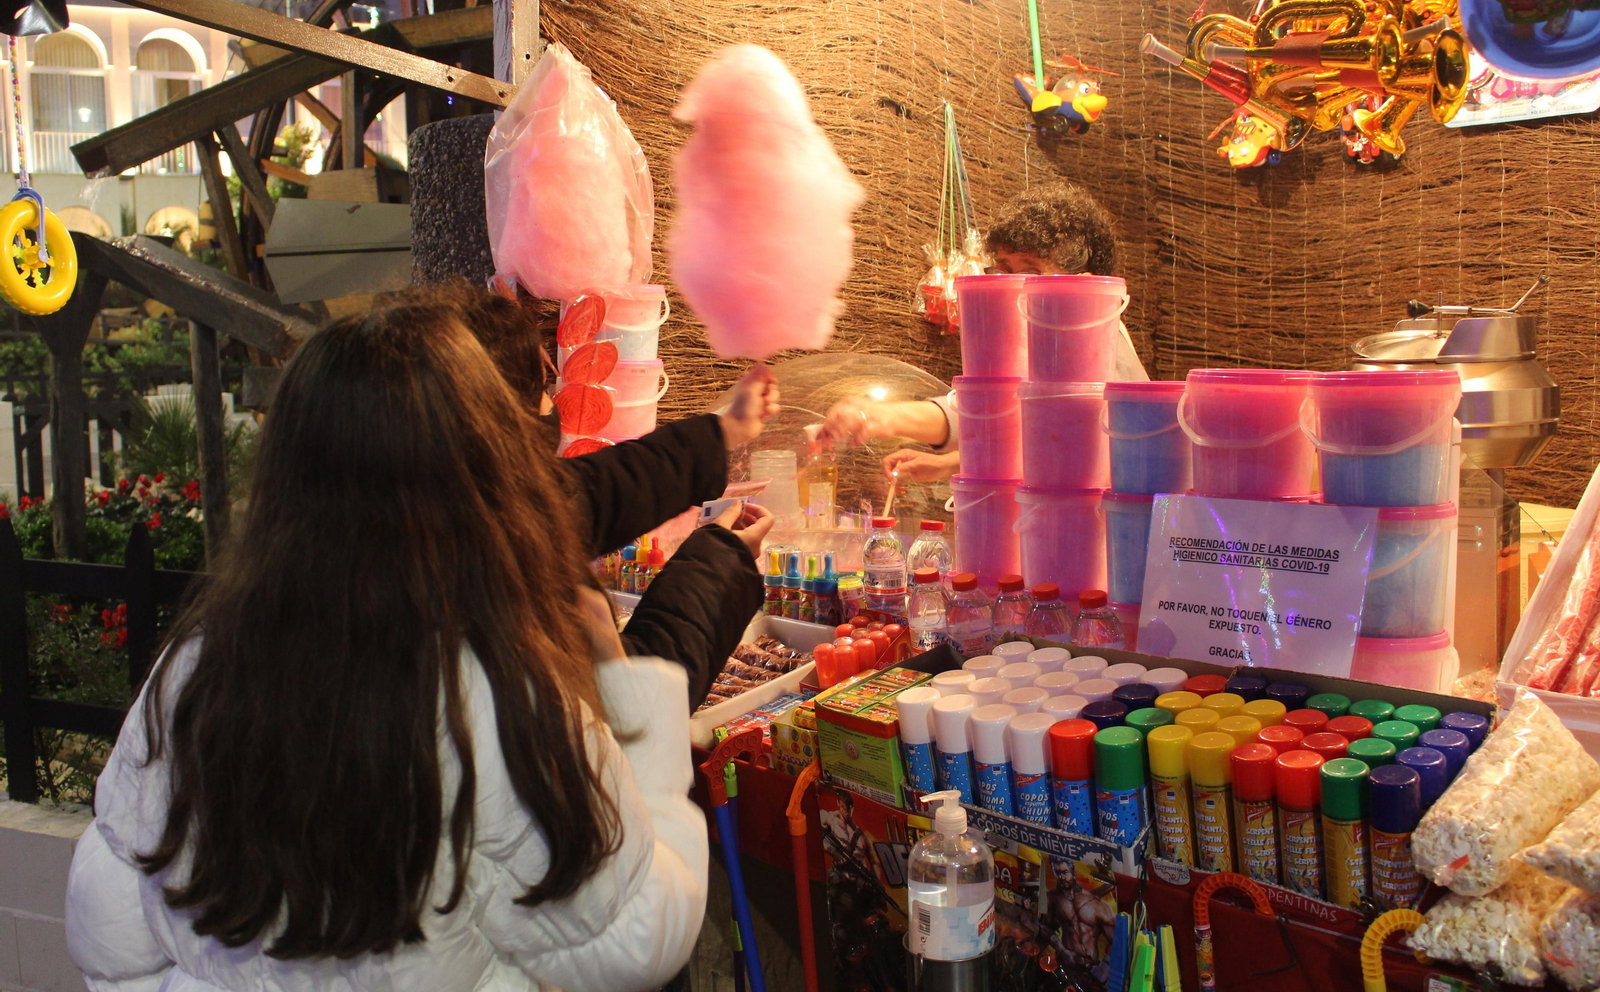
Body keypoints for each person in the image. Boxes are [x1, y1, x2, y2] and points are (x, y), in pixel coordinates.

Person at [66, 305, 709, 992]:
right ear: (485, 478)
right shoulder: (495, 697)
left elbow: (110, 937)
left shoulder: (194, 671)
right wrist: (623, 692)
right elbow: (639, 933)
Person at [405, 282, 774, 708]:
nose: (551, 402)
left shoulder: (425, 512)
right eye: (541, 385)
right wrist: (722, 559)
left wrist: (721, 433)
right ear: (494, 422)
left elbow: (586, 493)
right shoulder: (497, 597)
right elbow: (639, 707)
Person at [820, 181, 1147, 483]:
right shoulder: (1027, 334)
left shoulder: (1097, 336)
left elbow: (1071, 440)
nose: (1011, 285)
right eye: (1004, 269)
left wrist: (884, 417)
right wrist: (950, 462)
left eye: (1031, 272)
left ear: (1084, 285)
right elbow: (1002, 414)